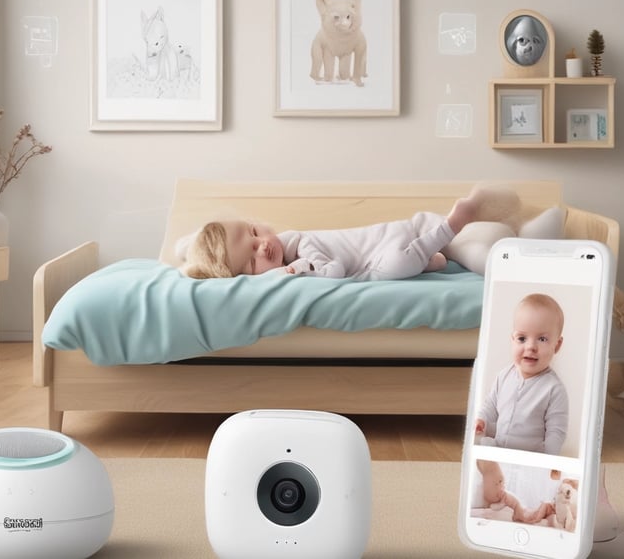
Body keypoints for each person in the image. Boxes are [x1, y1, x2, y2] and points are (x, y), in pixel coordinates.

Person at [179, 186, 521, 281]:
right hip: (399, 234)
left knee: (396, 267)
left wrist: (299, 269)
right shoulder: (293, 248)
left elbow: (336, 271)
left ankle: (454, 224)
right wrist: (190, 252)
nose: (263, 247)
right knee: (467, 248)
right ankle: (526, 231)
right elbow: (202, 251)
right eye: (252, 263)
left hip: (393, 244)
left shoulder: (304, 246)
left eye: (254, 233)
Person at [475, 293, 568, 455]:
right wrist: (481, 419)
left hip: (530, 456)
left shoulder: (554, 389)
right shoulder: (504, 376)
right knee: (482, 450)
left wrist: (548, 460)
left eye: (542, 339)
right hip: (499, 450)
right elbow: (490, 405)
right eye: (522, 338)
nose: (531, 346)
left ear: (557, 345)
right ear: (513, 339)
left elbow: (556, 432)